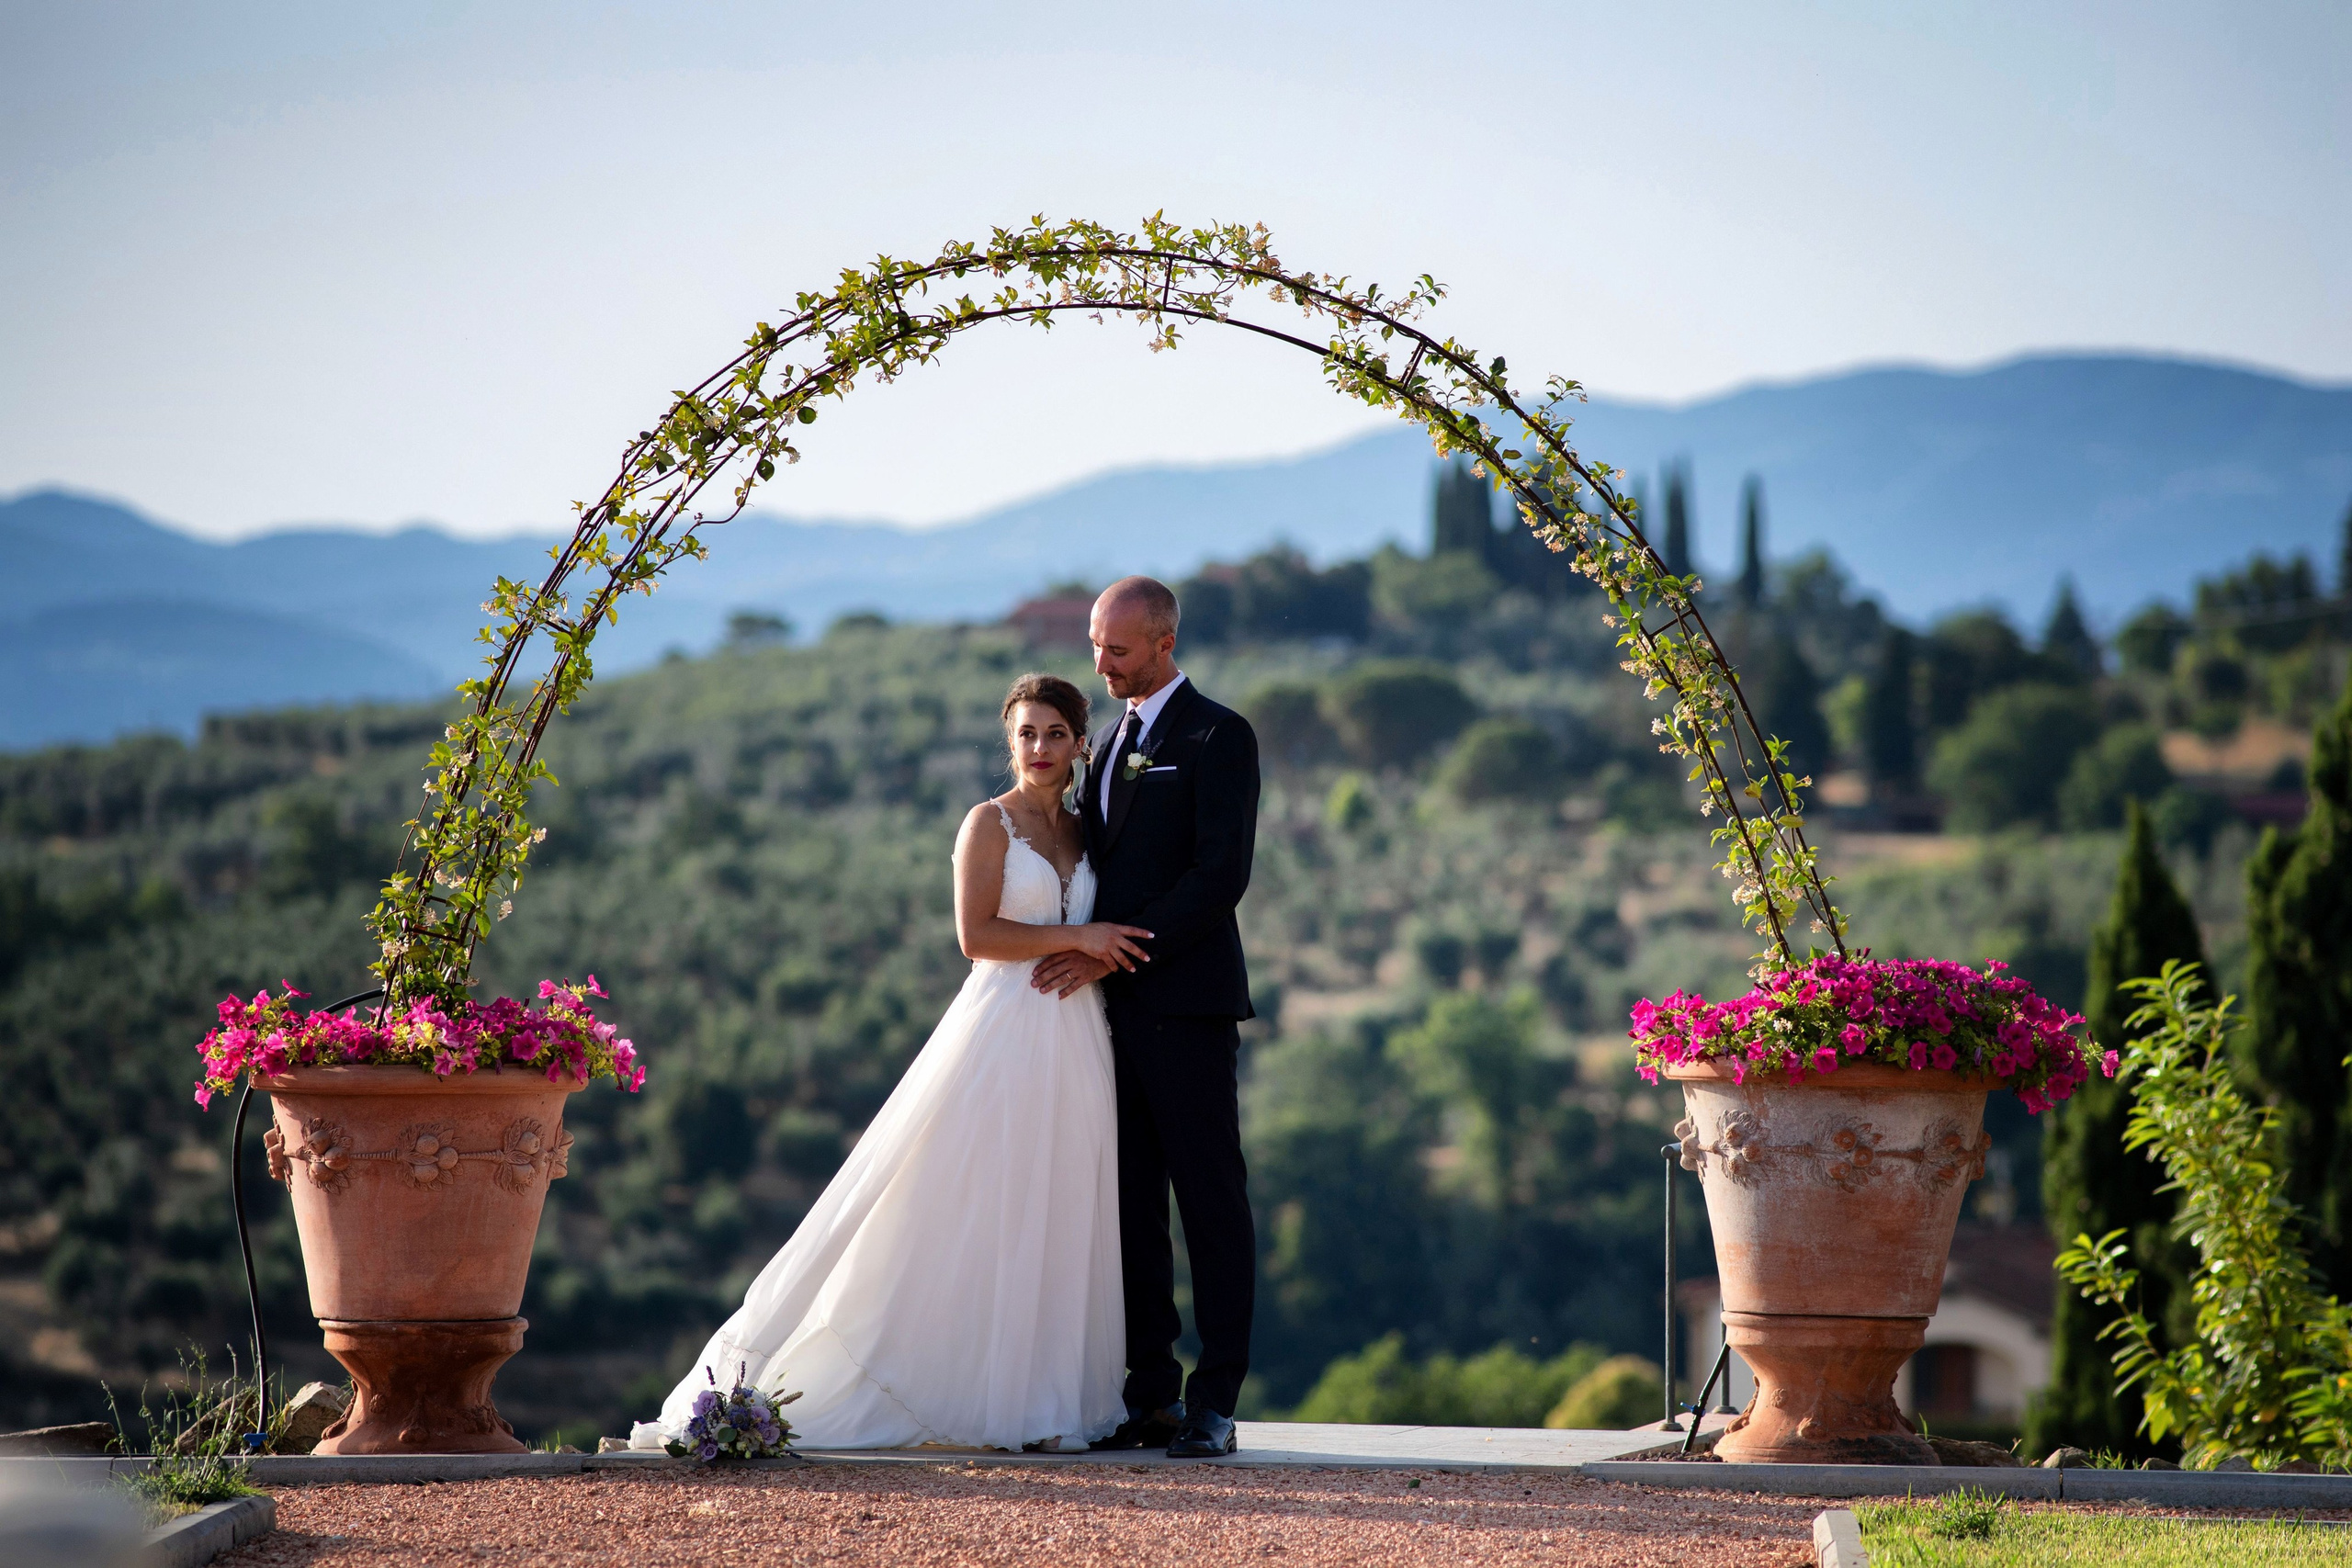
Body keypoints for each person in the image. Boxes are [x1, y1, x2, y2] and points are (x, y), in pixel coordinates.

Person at [650, 673, 1150, 1451]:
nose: (1041, 749)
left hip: (1077, 1040)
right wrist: (1078, 939)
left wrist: (1095, 953)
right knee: (974, 1202)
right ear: (1008, 741)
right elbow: (976, 936)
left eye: (1056, 733)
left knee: (1062, 1206)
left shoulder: (1090, 832)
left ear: (1082, 742)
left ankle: (1046, 1403)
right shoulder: (989, 823)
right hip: (1002, 1035)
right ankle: (940, 1386)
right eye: (1026, 734)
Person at [1033, 575, 1261, 1459]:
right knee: (1127, 1209)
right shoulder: (1108, 739)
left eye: (1116, 650)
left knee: (1210, 1203)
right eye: (1095, 644)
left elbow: (1220, 874)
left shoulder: (1218, 735)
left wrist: (1114, 946)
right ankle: (1150, 1393)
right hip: (1104, 1018)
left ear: (1164, 643)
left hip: (1187, 1005)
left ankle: (1217, 1400)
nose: (1100, 663)